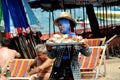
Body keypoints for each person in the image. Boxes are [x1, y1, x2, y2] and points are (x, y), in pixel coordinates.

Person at [46, 12, 92, 80]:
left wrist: (85, 46)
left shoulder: (77, 39)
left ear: (69, 24)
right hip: (58, 68)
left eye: (62, 24)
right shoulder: (56, 39)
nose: (60, 27)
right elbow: (51, 56)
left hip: (73, 70)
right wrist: (49, 50)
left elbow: (88, 53)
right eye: (59, 25)